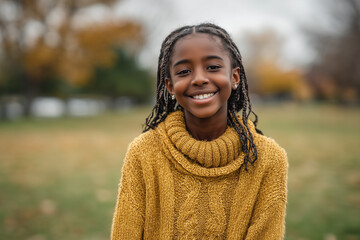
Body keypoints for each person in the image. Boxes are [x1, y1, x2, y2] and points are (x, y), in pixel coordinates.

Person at [111, 23, 288, 240]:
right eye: (184, 71)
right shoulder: (144, 152)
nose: (199, 79)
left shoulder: (269, 159)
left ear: (235, 77)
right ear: (170, 86)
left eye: (213, 67)